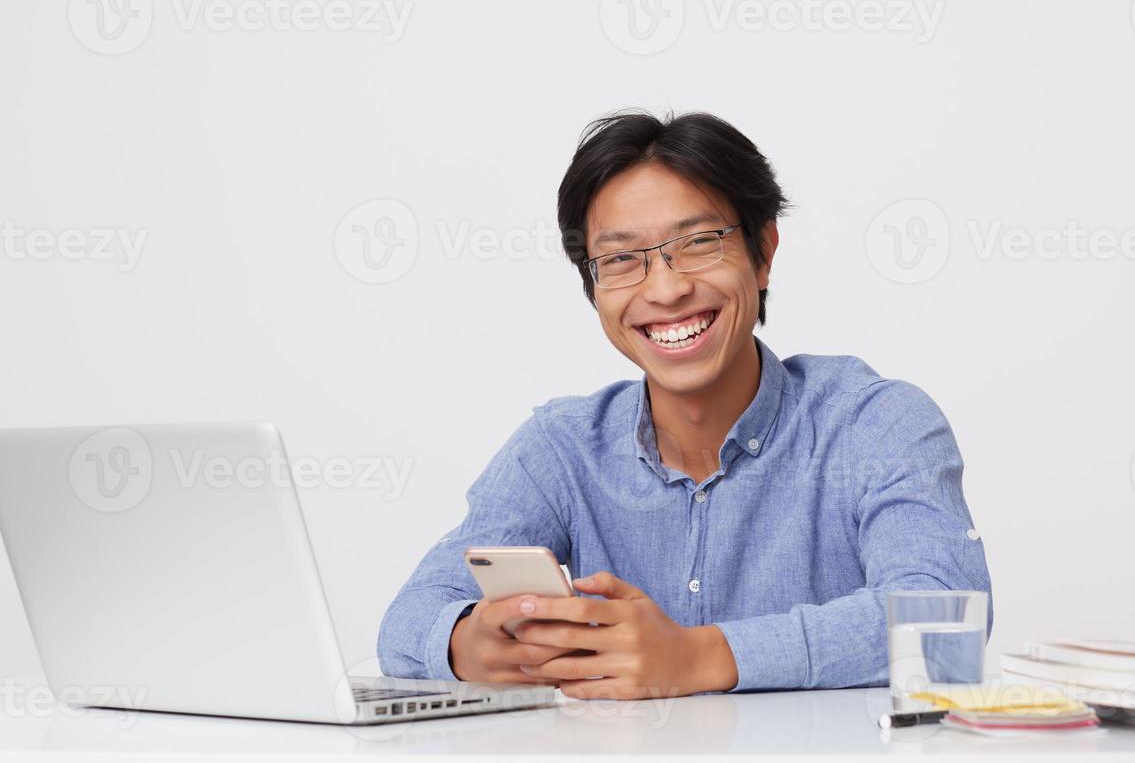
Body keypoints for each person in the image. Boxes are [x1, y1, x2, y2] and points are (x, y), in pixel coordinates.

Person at [377, 110, 992, 699]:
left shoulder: (876, 425)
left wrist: (698, 656)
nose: (666, 289)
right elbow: (408, 619)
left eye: (698, 243)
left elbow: (943, 626)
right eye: (621, 260)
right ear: (592, 286)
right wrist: (466, 644)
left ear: (764, 252)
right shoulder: (560, 449)